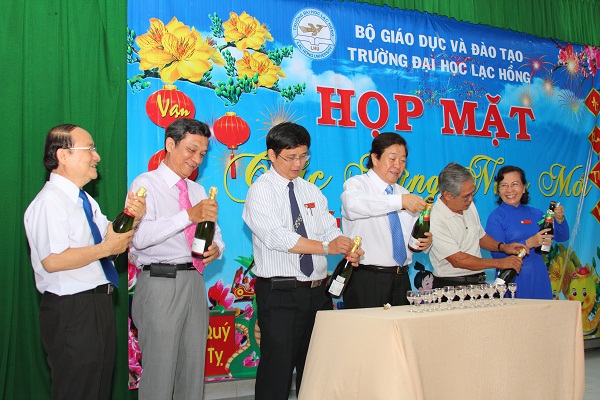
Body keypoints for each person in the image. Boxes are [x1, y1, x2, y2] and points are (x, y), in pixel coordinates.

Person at [242, 122, 363, 400]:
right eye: (290, 157)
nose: (298, 164)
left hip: (317, 293)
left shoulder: (310, 191)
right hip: (280, 294)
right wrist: (326, 247)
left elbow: (329, 230)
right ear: (271, 155)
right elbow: (277, 237)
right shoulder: (261, 191)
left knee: (317, 370)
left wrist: (345, 246)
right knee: (278, 371)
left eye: (303, 156)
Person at [24, 124, 145, 400]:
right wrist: (105, 248)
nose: (97, 157)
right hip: (71, 310)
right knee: (76, 389)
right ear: (63, 155)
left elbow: (110, 239)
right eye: (89, 149)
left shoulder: (85, 200)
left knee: (97, 388)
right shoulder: (50, 202)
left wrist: (134, 218)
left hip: (97, 305)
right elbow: (52, 260)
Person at [129, 118, 225, 400]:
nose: (197, 160)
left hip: (194, 282)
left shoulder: (197, 191)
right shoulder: (146, 184)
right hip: (160, 281)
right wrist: (187, 216)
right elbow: (139, 238)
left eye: (202, 154)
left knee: (192, 370)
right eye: (191, 150)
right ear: (170, 144)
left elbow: (216, 235)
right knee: (160, 372)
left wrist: (217, 249)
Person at [340, 132, 432, 308]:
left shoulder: (404, 193)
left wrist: (425, 243)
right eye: (392, 159)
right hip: (366, 279)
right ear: (375, 158)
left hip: (401, 279)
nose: (398, 165)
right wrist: (399, 202)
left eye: (403, 160)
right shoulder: (358, 184)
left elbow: (412, 235)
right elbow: (352, 204)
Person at [428, 162, 525, 288]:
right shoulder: (434, 217)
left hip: (478, 283)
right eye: (466, 196)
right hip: (451, 287)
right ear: (448, 195)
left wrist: (503, 247)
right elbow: (458, 260)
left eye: (472, 193)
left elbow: (480, 236)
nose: (471, 199)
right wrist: (499, 263)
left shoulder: (468, 204)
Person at [485, 165, 569, 299]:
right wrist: (529, 243)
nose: (509, 190)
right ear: (498, 190)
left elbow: (562, 236)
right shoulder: (496, 217)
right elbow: (497, 255)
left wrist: (559, 219)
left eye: (515, 184)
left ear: (524, 188)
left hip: (539, 278)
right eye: (504, 185)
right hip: (512, 280)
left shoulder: (536, 213)